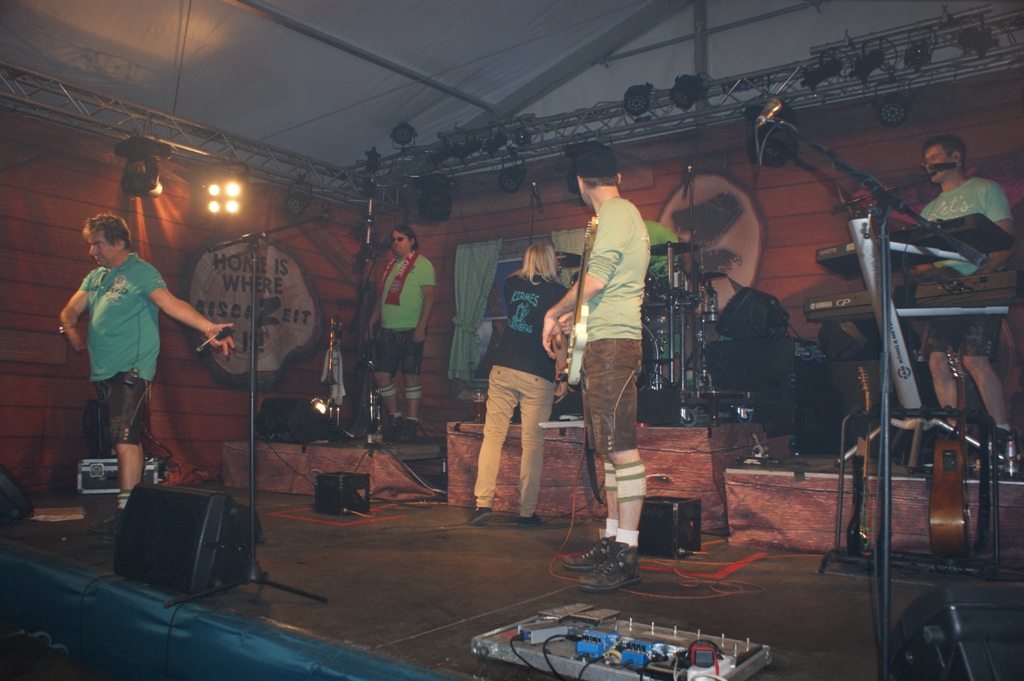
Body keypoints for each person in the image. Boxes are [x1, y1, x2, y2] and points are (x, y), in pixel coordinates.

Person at [59, 213, 234, 545]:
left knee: (125, 439)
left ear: (119, 242)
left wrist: (208, 327)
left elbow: (171, 304)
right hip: (104, 370)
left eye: (98, 244)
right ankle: (130, 510)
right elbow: (71, 309)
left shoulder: (140, 272)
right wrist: (67, 324)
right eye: (91, 244)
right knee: (124, 439)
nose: (92, 251)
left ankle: (127, 514)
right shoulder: (96, 277)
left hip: (132, 368)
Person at [542, 143, 650, 592]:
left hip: (613, 346)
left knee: (620, 449)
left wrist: (555, 311)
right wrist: (577, 316)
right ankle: (612, 541)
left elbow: (598, 278)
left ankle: (627, 553)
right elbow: (606, 287)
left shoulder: (616, 213)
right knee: (609, 449)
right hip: (604, 341)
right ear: (616, 177)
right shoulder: (620, 214)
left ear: (580, 183)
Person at [916, 134, 1018, 453]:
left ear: (956, 157)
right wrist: (934, 272)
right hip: (946, 291)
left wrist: (983, 273)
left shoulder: (986, 189)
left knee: (975, 360)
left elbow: (1006, 239)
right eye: (925, 161)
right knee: (936, 362)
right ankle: (956, 439)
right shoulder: (930, 209)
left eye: (934, 158)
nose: (929, 165)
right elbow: (920, 262)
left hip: (980, 285)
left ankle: (1002, 438)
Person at [468, 242, 569, 528]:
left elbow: (515, 274)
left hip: (503, 367)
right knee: (532, 444)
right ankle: (526, 512)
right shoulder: (559, 294)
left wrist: (528, 266)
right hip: (537, 372)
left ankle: (483, 503)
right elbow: (558, 339)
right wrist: (562, 375)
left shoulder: (513, 285)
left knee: (492, 436)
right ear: (551, 262)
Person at [368, 225, 436, 443]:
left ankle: (411, 424)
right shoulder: (390, 266)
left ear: (412, 241)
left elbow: (430, 296)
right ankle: (396, 420)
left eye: (400, 238)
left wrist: (421, 326)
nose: (395, 243)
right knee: (381, 374)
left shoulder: (422, 264)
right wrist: (372, 319)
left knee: (410, 375)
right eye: (393, 239)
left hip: (411, 329)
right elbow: (383, 297)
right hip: (388, 329)